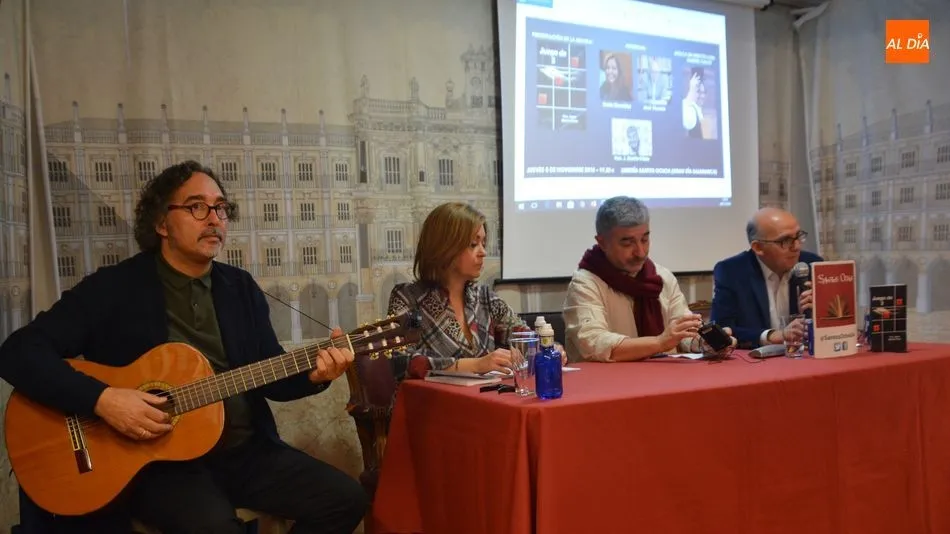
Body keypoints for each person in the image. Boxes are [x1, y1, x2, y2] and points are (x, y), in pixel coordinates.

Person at [0, 160, 367, 533]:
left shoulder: (239, 287)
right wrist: (103, 399)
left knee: (346, 500)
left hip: (246, 454)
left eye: (221, 208)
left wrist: (319, 374)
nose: (214, 219)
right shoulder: (114, 288)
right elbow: (19, 351)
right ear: (161, 223)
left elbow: (270, 374)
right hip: (161, 466)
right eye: (197, 207)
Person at [387, 202, 565, 378]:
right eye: (473, 244)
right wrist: (476, 365)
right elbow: (402, 362)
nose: (483, 252)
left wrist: (549, 347)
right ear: (444, 247)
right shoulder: (408, 298)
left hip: (482, 400)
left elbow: (524, 337)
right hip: (429, 403)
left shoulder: (485, 298)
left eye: (483, 243)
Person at [563, 196, 736, 362]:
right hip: (608, 385)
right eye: (627, 243)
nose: (640, 252)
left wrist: (706, 343)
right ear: (602, 242)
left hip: (665, 380)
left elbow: (684, 334)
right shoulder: (585, 283)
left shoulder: (662, 277)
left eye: (645, 239)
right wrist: (660, 343)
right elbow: (594, 343)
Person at [710, 206, 824, 349]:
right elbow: (721, 330)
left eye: (798, 236)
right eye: (786, 240)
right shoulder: (732, 272)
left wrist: (819, 313)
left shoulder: (812, 265)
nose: (796, 246)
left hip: (804, 358)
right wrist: (771, 336)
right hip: (754, 364)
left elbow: (834, 321)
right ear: (758, 247)